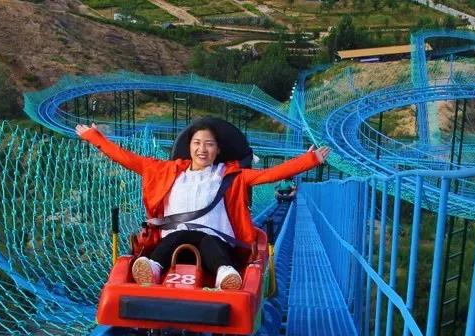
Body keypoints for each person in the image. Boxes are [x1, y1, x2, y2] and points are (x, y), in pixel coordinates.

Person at [76, 118, 330, 289]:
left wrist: (309, 160)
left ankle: (225, 275)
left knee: (208, 241)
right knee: (175, 238)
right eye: (197, 143)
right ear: (189, 147)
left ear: (217, 150)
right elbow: (127, 158)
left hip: (216, 242)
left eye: (209, 144)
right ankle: (152, 269)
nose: (202, 149)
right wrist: (95, 137)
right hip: (174, 241)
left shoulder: (231, 176)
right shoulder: (167, 171)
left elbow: (270, 175)